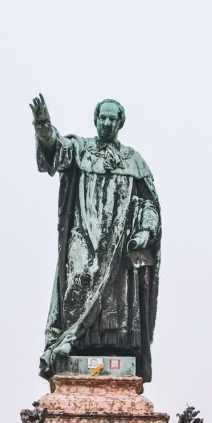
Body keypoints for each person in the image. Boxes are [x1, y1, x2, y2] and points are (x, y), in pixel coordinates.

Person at [31, 93, 161, 381]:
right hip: (83, 235)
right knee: (77, 278)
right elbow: (55, 147)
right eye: (102, 117)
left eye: (112, 119)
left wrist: (145, 230)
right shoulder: (81, 149)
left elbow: (148, 203)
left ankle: (112, 354)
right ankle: (72, 341)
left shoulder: (133, 161)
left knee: (116, 298)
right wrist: (42, 125)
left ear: (120, 123)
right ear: (95, 119)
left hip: (117, 243)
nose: (106, 123)